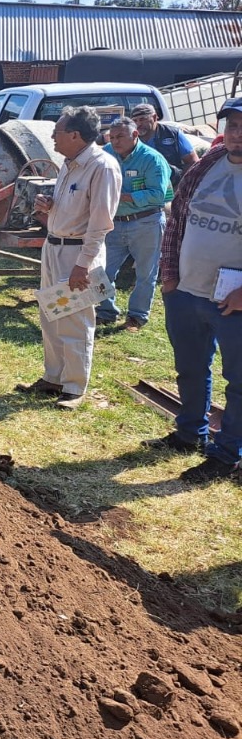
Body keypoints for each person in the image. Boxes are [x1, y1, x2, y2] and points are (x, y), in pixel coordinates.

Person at [144, 97, 242, 480]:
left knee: (239, 380)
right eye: (232, 125)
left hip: (233, 302)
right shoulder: (208, 166)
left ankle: (227, 452)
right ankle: (190, 433)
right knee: (189, 367)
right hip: (186, 291)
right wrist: (170, 276)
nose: (237, 133)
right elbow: (178, 217)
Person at [15, 106, 121, 410]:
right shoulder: (70, 164)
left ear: (75, 135)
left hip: (78, 254)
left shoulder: (102, 167)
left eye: (57, 132)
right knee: (50, 316)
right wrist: (50, 205)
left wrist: (83, 265)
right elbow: (74, 206)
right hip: (54, 247)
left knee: (75, 320)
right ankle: (54, 377)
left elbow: (101, 223)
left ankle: (74, 387)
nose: (53, 137)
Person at [95, 116, 172, 332]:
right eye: (112, 137)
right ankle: (105, 311)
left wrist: (122, 196)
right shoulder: (106, 153)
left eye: (120, 137)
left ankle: (137, 317)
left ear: (135, 135)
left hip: (146, 221)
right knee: (102, 270)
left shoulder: (152, 159)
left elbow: (158, 195)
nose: (115, 141)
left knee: (146, 273)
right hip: (114, 223)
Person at [131, 102, 198, 190]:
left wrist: (179, 184)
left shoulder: (173, 134)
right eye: (135, 121)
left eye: (142, 119)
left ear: (154, 117)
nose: (138, 124)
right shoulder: (131, 139)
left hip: (173, 187)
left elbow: (193, 162)